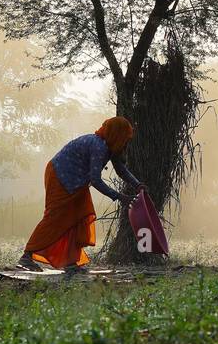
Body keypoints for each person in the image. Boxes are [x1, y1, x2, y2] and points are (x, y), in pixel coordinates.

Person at [19, 116, 145, 274]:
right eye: (125, 139)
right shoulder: (98, 146)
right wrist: (119, 197)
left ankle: (71, 262)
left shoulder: (110, 146)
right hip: (59, 176)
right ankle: (26, 257)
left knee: (79, 216)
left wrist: (137, 184)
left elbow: (121, 169)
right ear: (116, 135)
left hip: (77, 182)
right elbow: (96, 180)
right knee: (54, 217)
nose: (126, 143)